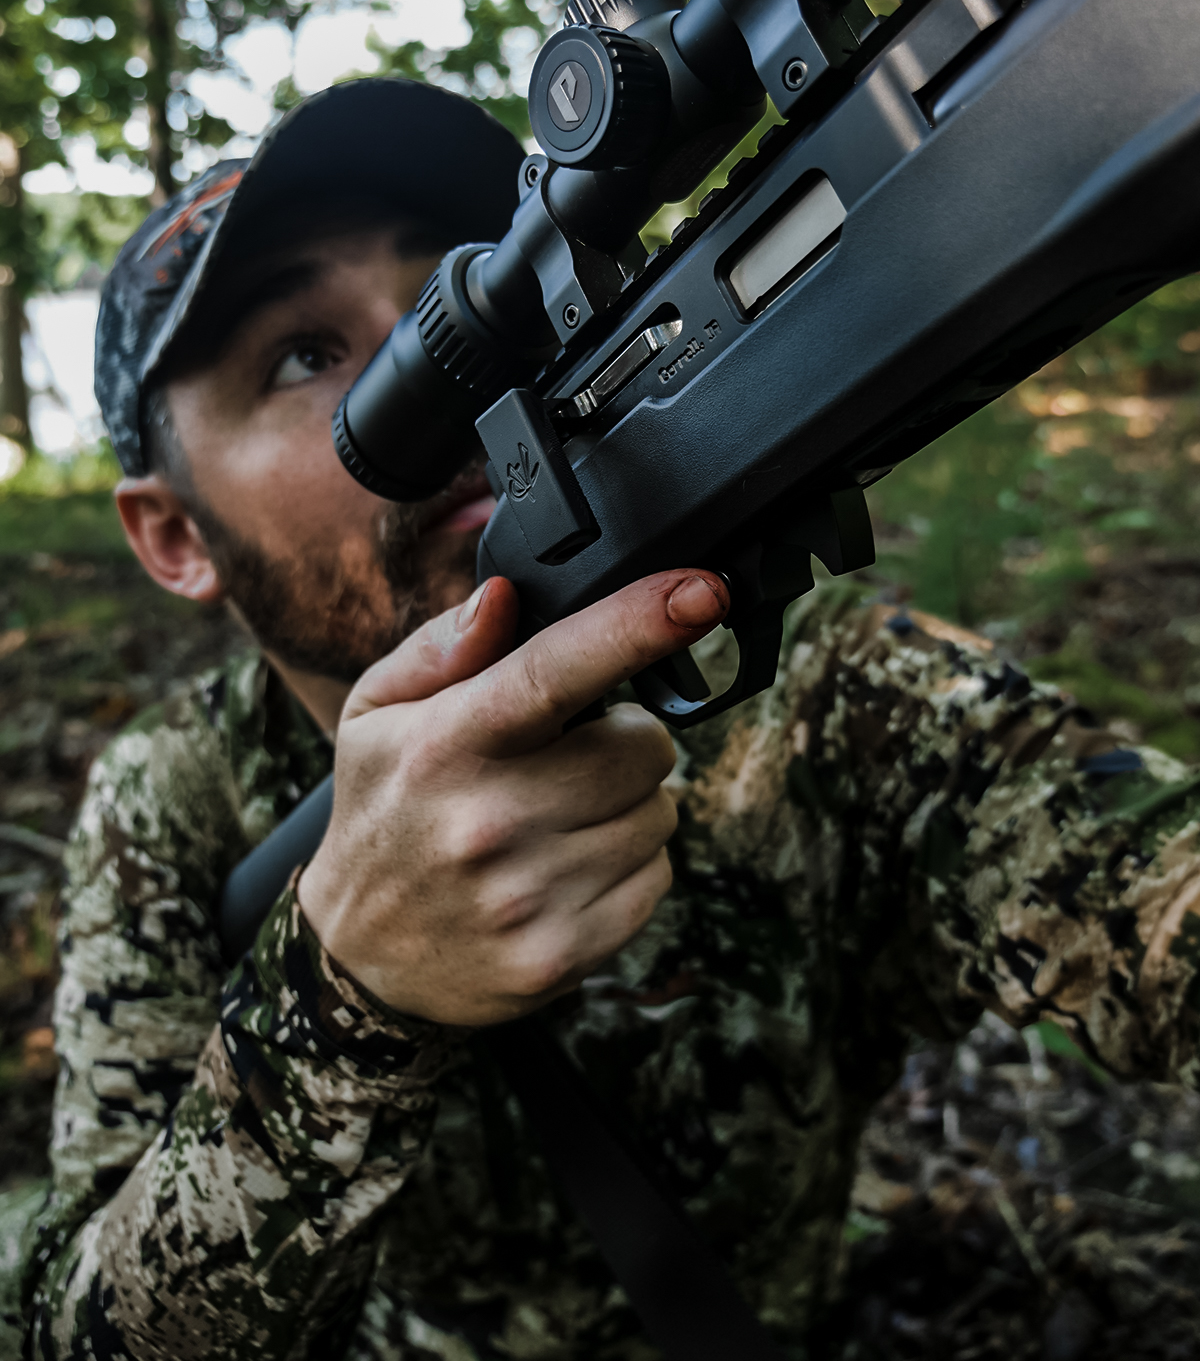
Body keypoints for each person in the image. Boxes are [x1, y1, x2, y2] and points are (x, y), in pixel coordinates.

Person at [12, 73, 1200, 1360]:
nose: (451, 375)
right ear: (175, 534)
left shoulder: (778, 681)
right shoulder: (173, 799)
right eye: (305, 354)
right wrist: (341, 1001)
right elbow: (82, 1330)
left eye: (461, 293)